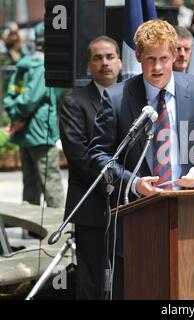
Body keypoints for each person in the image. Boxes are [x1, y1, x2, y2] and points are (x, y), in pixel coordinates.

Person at [88, 19, 194, 298]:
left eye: (164, 58)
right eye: (150, 59)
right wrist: (134, 182)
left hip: (189, 208)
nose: (158, 67)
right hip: (138, 213)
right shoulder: (117, 97)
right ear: (138, 57)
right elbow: (99, 154)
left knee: (188, 287)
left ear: (175, 54)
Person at [59, 36, 122, 299]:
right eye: (98, 58)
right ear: (88, 65)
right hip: (91, 203)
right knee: (91, 279)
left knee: (127, 274)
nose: (104, 63)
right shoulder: (73, 102)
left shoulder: (132, 97)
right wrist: (119, 178)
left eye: (109, 57)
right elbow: (79, 154)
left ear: (120, 61)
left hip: (131, 203)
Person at [3, 22, 64, 208]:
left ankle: (31, 229)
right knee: (50, 180)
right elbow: (30, 100)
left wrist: (15, 118)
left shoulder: (23, 65)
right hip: (40, 132)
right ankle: (59, 231)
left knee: (30, 181)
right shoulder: (42, 67)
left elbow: (10, 97)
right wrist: (19, 116)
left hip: (25, 133)